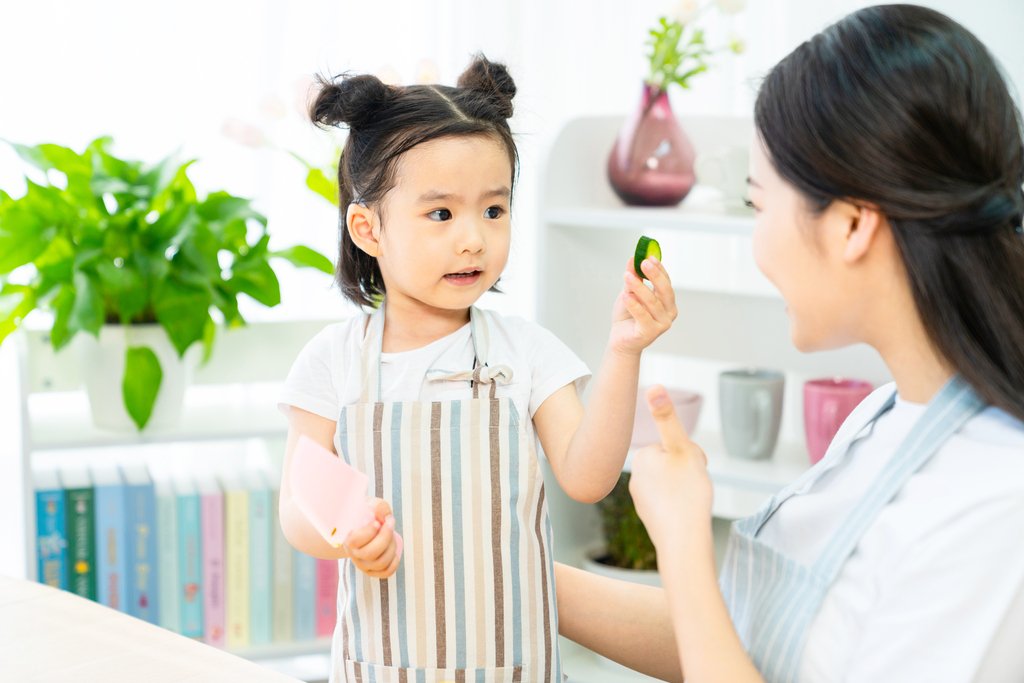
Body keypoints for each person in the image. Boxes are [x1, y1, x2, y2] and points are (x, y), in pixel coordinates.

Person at [554, 5, 1024, 682]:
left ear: (853, 224)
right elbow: (736, 646)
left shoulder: (993, 500)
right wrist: (515, 575)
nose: (758, 245)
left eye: (759, 205)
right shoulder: (884, 415)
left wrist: (683, 546)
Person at [276, 55, 678, 683]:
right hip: (385, 667)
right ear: (367, 227)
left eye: (494, 210)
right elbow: (298, 507)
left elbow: (588, 477)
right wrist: (346, 536)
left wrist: (624, 350)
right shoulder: (333, 361)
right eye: (441, 214)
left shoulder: (526, 352)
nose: (473, 239)